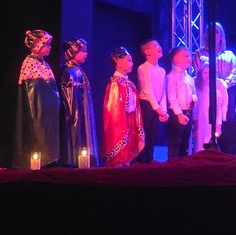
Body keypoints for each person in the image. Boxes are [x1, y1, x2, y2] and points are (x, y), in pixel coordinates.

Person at [15, 29, 61, 169]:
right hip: (37, 109)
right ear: (38, 46)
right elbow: (32, 92)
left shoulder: (45, 64)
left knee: (49, 133)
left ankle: (50, 158)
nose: (50, 47)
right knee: (38, 133)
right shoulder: (29, 63)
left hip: (48, 109)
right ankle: (40, 159)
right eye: (46, 44)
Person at [101, 46, 144, 166]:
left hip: (130, 118)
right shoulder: (115, 83)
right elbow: (114, 108)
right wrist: (122, 121)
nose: (132, 63)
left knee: (130, 143)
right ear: (119, 63)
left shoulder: (128, 83)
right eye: (128, 60)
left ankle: (126, 162)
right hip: (121, 121)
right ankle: (118, 162)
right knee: (122, 144)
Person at [60, 38, 98, 166]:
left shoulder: (77, 70)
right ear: (73, 53)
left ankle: (83, 159)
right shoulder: (70, 71)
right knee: (76, 133)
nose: (86, 54)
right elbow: (69, 96)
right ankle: (75, 160)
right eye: (83, 51)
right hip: (76, 112)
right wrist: (73, 113)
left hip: (81, 110)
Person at [134, 40, 167, 162]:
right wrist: (158, 110)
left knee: (153, 135)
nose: (159, 47)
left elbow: (163, 92)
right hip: (146, 105)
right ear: (147, 52)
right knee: (145, 134)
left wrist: (163, 110)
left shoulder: (162, 71)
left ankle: (150, 159)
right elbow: (148, 90)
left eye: (159, 45)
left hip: (156, 106)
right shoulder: (143, 68)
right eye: (156, 46)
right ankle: (142, 161)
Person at [193, 51, 228, 152]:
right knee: (200, 144)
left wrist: (219, 125)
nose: (208, 75)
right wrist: (195, 126)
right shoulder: (197, 88)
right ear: (201, 73)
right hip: (200, 120)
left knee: (212, 143)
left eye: (210, 73)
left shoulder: (218, 87)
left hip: (213, 120)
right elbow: (195, 109)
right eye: (205, 72)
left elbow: (220, 107)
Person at [165, 45, 195, 158]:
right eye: (186, 56)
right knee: (175, 143)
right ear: (176, 59)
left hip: (188, 111)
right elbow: (172, 97)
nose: (189, 58)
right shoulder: (171, 76)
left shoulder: (189, 78)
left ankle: (183, 165)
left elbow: (192, 92)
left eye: (189, 56)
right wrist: (179, 114)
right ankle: (173, 166)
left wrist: (194, 97)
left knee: (185, 142)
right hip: (176, 113)